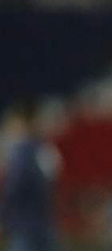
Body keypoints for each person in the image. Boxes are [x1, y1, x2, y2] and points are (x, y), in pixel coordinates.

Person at [0, 99, 60, 251]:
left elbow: (13, 189)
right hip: (44, 223)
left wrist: (4, 217)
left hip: (24, 226)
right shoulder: (44, 149)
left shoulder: (21, 153)